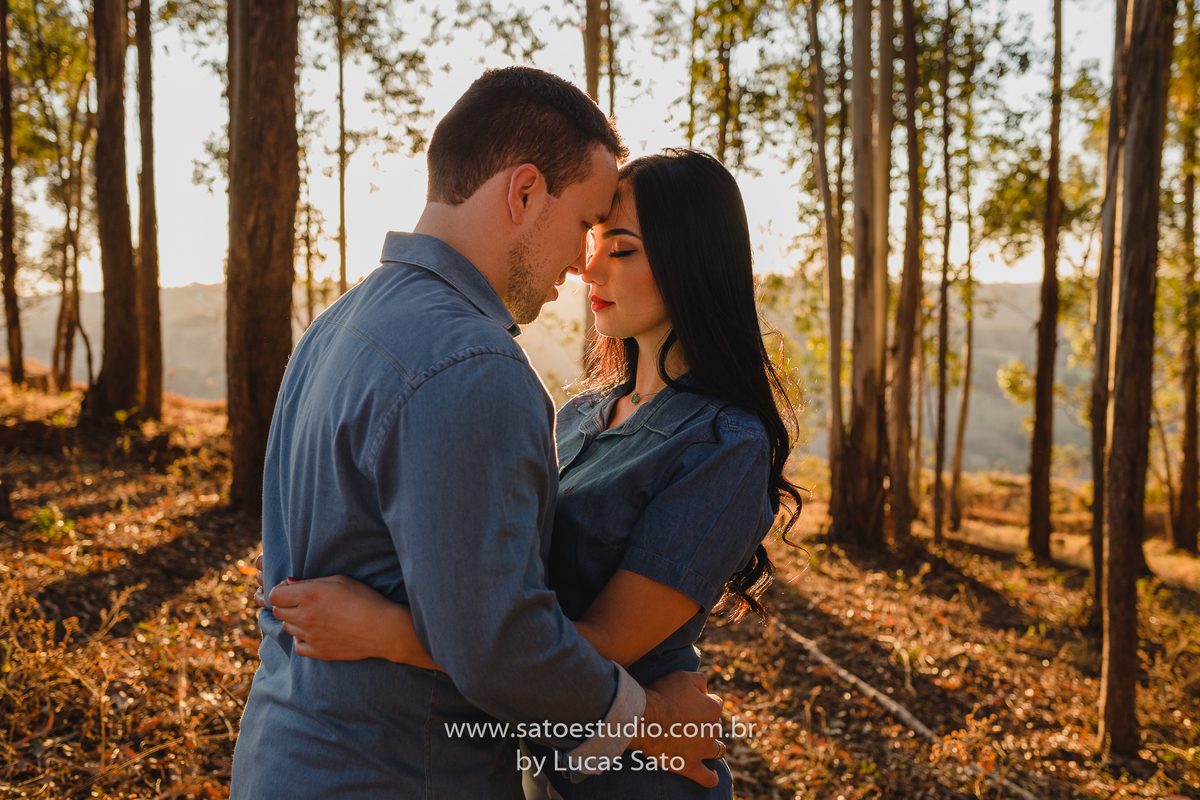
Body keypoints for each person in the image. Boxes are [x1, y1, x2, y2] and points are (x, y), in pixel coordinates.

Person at [230, 68, 725, 800]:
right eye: (586, 221)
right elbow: (500, 648)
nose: (581, 259)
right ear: (524, 192)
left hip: (285, 753)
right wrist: (653, 718)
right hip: (397, 775)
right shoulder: (474, 366)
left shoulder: (342, 323)